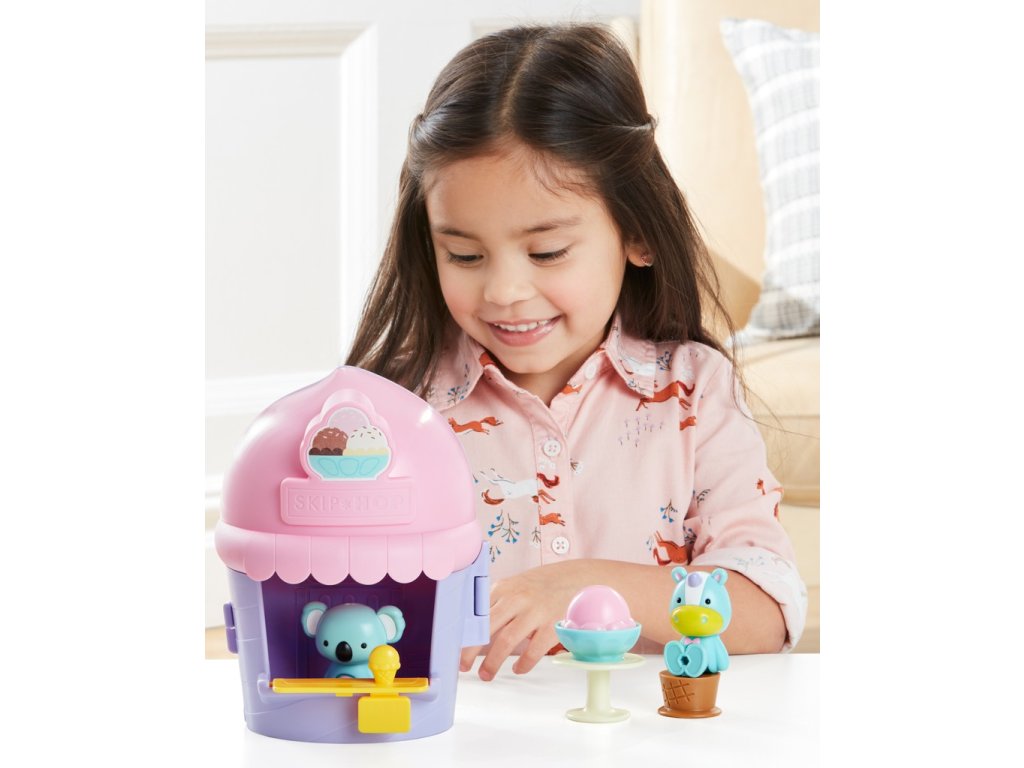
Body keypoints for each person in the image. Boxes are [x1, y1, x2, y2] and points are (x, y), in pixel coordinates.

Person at [346, 23, 806, 681]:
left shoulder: (695, 391)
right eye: (465, 255)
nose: (504, 291)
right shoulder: (392, 409)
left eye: (547, 252)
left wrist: (581, 584)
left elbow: (767, 611)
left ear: (637, 232)